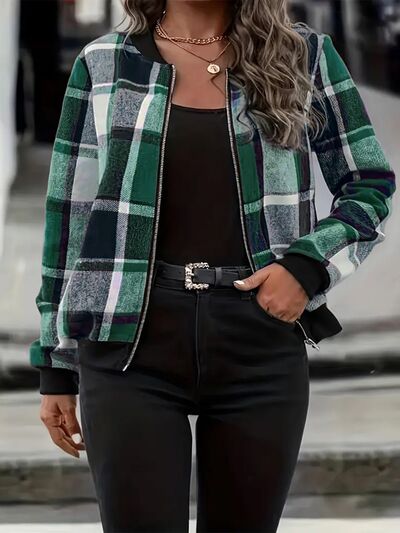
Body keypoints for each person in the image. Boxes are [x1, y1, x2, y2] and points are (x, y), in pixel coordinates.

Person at [30, 1, 396, 531]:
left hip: (259, 343)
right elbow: (69, 219)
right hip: (128, 349)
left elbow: (369, 183)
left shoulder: (305, 57)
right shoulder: (103, 63)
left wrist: (307, 266)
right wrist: (56, 363)